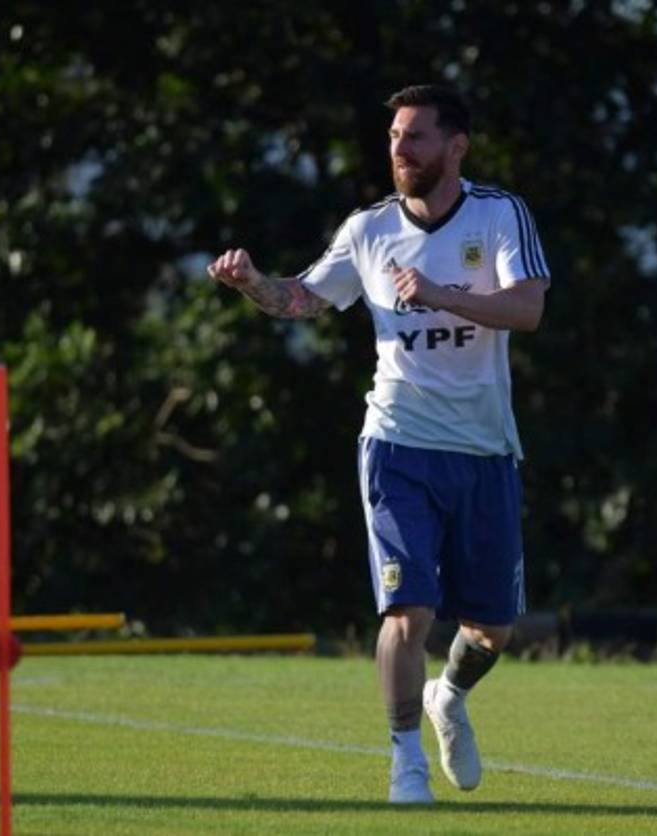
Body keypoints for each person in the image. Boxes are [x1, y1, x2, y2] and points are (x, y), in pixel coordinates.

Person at [207, 84, 549, 804]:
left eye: (416, 136)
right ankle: (405, 763)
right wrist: (254, 284)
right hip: (397, 443)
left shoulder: (499, 214)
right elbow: (305, 297)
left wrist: (441, 294)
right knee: (408, 611)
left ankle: (447, 696)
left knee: (492, 627)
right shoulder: (368, 228)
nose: (400, 149)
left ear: (456, 146)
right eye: (394, 136)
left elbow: (528, 308)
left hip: (484, 450)